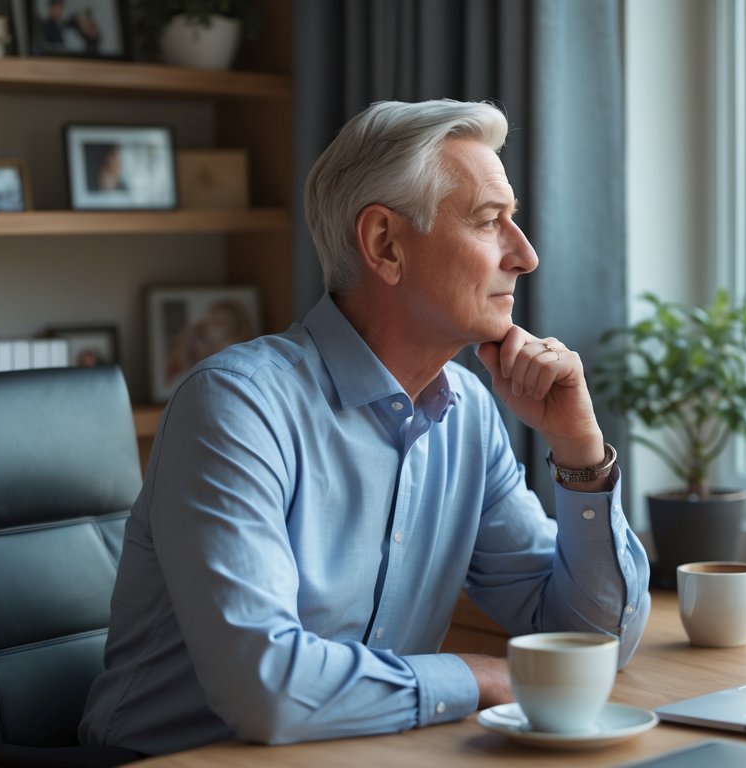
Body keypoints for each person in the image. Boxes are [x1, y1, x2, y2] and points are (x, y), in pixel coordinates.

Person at [79, 99, 651, 755]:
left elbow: (595, 641)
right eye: (490, 222)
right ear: (384, 244)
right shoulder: (236, 408)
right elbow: (266, 690)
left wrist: (579, 454)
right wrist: (477, 674)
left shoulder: (466, 413)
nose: (524, 255)